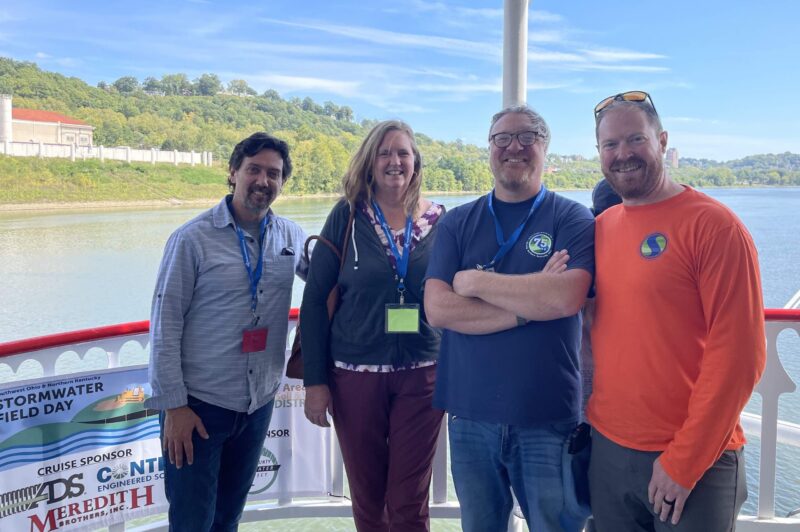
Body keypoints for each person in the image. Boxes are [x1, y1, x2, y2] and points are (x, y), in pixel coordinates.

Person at [587, 91, 766, 530]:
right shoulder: (599, 229)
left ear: (662, 140)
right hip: (608, 450)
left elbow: (740, 357)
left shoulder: (713, 226)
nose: (622, 154)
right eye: (610, 145)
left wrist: (685, 461)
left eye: (635, 140)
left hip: (694, 461)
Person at [424, 105, 595, 532]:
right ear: (489, 148)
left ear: (545, 148)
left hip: (548, 415)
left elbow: (565, 296)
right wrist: (529, 304)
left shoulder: (572, 217)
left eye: (528, 136)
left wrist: (474, 282)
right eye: (502, 138)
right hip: (469, 414)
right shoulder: (457, 222)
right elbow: (438, 310)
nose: (514, 147)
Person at [146, 132, 308, 531]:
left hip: (257, 404)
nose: (263, 181)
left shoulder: (291, 236)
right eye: (254, 169)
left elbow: (333, 279)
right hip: (199, 408)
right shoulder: (192, 239)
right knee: (191, 521)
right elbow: (165, 326)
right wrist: (175, 407)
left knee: (228, 517)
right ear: (233, 173)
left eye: (274, 173)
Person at [301, 120, 445, 531]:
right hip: (353, 375)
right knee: (366, 496)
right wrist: (316, 382)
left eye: (403, 153)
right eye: (384, 153)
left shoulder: (440, 221)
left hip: (423, 376)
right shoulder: (347, 216)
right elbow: (313, 301)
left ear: (415, 162)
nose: (394, 161)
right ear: (369, 162)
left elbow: (461, 290)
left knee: (409, 497)